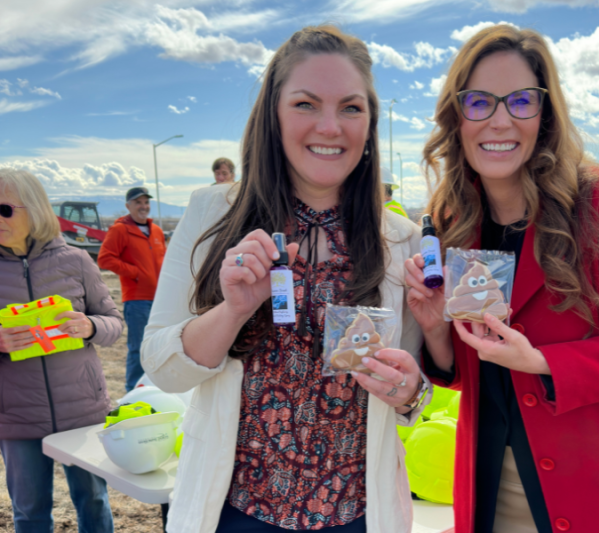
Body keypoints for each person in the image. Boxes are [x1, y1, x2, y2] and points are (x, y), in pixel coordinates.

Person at [141, 26, 432, 533]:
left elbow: (413, 392)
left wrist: (408, 390)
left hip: (359, 515)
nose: (329, 126)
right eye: (304, 104)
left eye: (350, 107)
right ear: (272, 115)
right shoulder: (213, 213)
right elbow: (164, 369)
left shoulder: (400, 238)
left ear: (371, 124)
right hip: (234, 511)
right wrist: (231, 310)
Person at [404, 25, 599, 533]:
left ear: (545, 112)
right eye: (479, 103)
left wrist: (540, 362)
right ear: (457, 116)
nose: (500, 120)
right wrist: (432, 328)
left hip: (596, 480)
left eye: (520, 101)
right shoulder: (452, 221)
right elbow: (468, 370)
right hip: (490, 481)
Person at [0, 168, 122, 532]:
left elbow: (114, 323)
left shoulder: (77, 261)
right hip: (17, 415)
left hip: (82, 409)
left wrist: (90, 326)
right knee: (29, 512)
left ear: (34, 209)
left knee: (95, 502)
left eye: (4, 209)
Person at [97, 186, 166, 391]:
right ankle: (132, 393)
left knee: (160, 347)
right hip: (137, 300)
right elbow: (105, 258)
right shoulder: (120, 230)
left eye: (146, 202)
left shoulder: (157, 231)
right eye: (138, 202)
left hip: (160, 299)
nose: (143, 206)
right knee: (138, 349)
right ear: (128, 206)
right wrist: (135, 272)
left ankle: (155, 389)